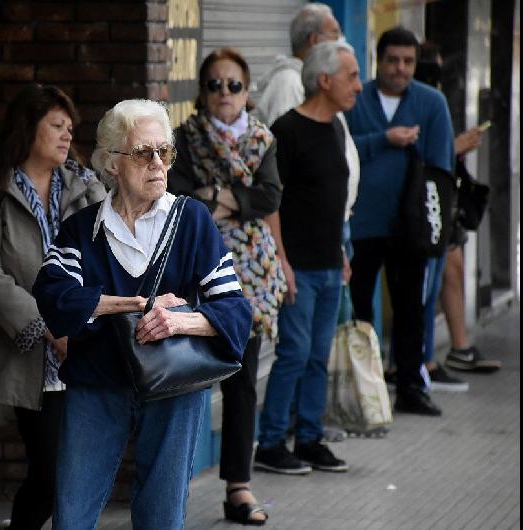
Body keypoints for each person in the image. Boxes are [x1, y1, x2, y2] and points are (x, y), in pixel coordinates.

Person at [32, 99, 252, 530]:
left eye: (164, 152)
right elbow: (55, 298)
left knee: (160, 516)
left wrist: (178, 320)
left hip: (174, 386)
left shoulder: (192, 221)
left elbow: (234, 310)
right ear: (113, 163)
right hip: (96, 385)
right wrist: (141, 307)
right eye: (142, 153)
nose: (157, 164)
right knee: (71, 515)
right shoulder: (83, 228)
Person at [0, 84, 106, 530]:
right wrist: (51, 327)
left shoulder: (83, 185)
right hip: (33, 354)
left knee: (76, 471)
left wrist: (80, 322)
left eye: (70, 127)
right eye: (56, 125)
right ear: (29, 128)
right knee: (48, 472)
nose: (67, 135)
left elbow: (106, 256)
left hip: (82, 346)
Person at [168, 47, 282, 525]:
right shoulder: (184, 137)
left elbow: (270, 195)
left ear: (247, 90)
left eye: (233, 85)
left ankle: (238, 486)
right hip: (195, 267)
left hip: (251, 273)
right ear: (202, 91)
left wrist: (216, 196)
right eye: (214, 84)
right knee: (183, 377)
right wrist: (229, 198)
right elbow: (178, 189)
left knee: (241, 382)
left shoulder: (262, 139)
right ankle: (170, 485)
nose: (224, 94)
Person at [253, 41, 361, 475]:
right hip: (296, 264)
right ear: (324, 81)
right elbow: (272, 201)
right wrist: (280, 259)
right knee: (295, 352)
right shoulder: (288, 130)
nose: (358, 85)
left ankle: (311, 437)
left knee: (319, 353)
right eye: (351, 76)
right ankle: (273, 442)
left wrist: (340, 250)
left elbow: (331, 198)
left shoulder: (336, 127)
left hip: (330, 264)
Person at [346, 26, 455, 416]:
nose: (400, 68)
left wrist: (437, 229)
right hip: (361, 226)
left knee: (411, 309)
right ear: (379, 60)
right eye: (393, 60)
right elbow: (341, 151)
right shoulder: (356, 99)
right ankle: (363, 389)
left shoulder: (432, 103)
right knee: (359, 312)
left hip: (411, 227)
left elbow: (442, 171)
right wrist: (384, 139)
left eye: (408, 61)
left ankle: (410, 385)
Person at [414, 43, 502, 380]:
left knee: (449, 269)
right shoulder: (414, 104)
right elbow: (421, 159)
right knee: (427, 282)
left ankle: (455, 349)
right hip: (422, 208)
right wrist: (456, 147)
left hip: (440, 205)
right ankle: (424, 360)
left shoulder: (433, 102)